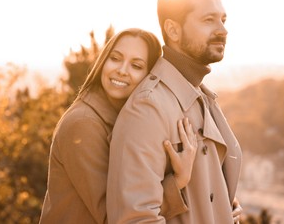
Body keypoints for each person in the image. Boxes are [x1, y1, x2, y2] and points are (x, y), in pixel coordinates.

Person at [107, 0, 243, 223]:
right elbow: (137, 218)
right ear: (172, 30)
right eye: (208, 20)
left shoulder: (203, 96)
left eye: (223, 20)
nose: (223, 30)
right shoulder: (148, 107)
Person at [39, 28, 198, 224]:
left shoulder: (133, 120)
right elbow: (115, 216)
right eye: (115, 58)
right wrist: (178, 181)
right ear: (103, 61)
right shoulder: (83, 125)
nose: (122, 70)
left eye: (136, 65)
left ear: (150, 76)